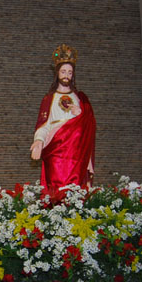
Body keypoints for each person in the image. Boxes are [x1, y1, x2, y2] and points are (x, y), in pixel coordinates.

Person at [30, 44, 96, 196]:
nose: (66, 75)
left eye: (70, 72)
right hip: (56, 150)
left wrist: (80, 114)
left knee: (75, 190)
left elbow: (88, 125)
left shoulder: (80, 99)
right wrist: (39, 140)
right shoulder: (49, 99)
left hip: (76, 152)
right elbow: (44, 124)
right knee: (56, 190)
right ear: (57, 73)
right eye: (63, 71)